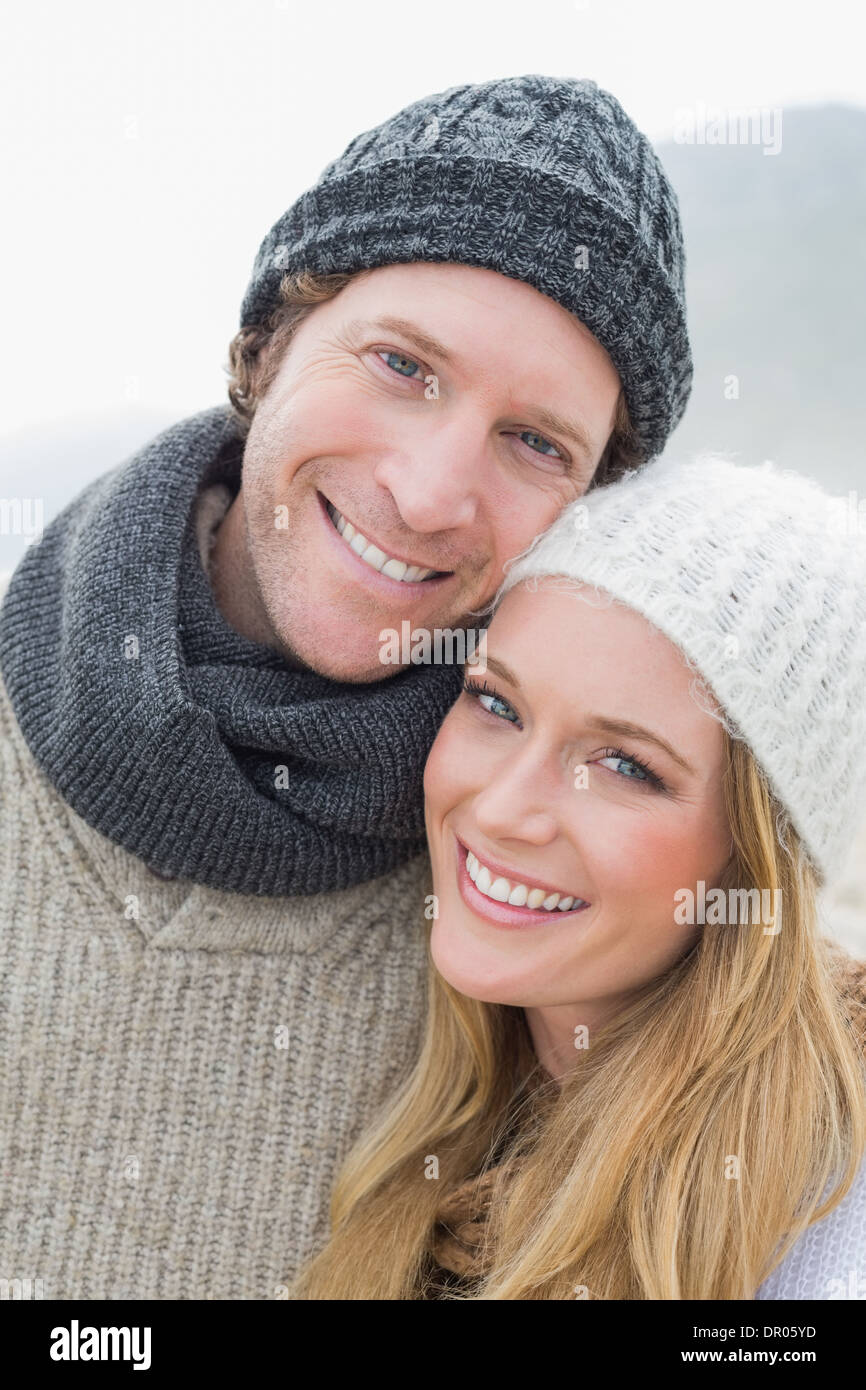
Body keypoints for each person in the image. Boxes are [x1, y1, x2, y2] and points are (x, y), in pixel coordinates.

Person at [0, 75, 693, 1299]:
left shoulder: (542, 910)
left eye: (535, 443)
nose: (428, 494)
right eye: (401, 365)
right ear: (270, 343)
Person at [291, 452, 866, 1300]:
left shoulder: (828, 1227)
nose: (499, 811)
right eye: (496, 704)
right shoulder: (420, 1102)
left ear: (753, 860)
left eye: (627, 766)